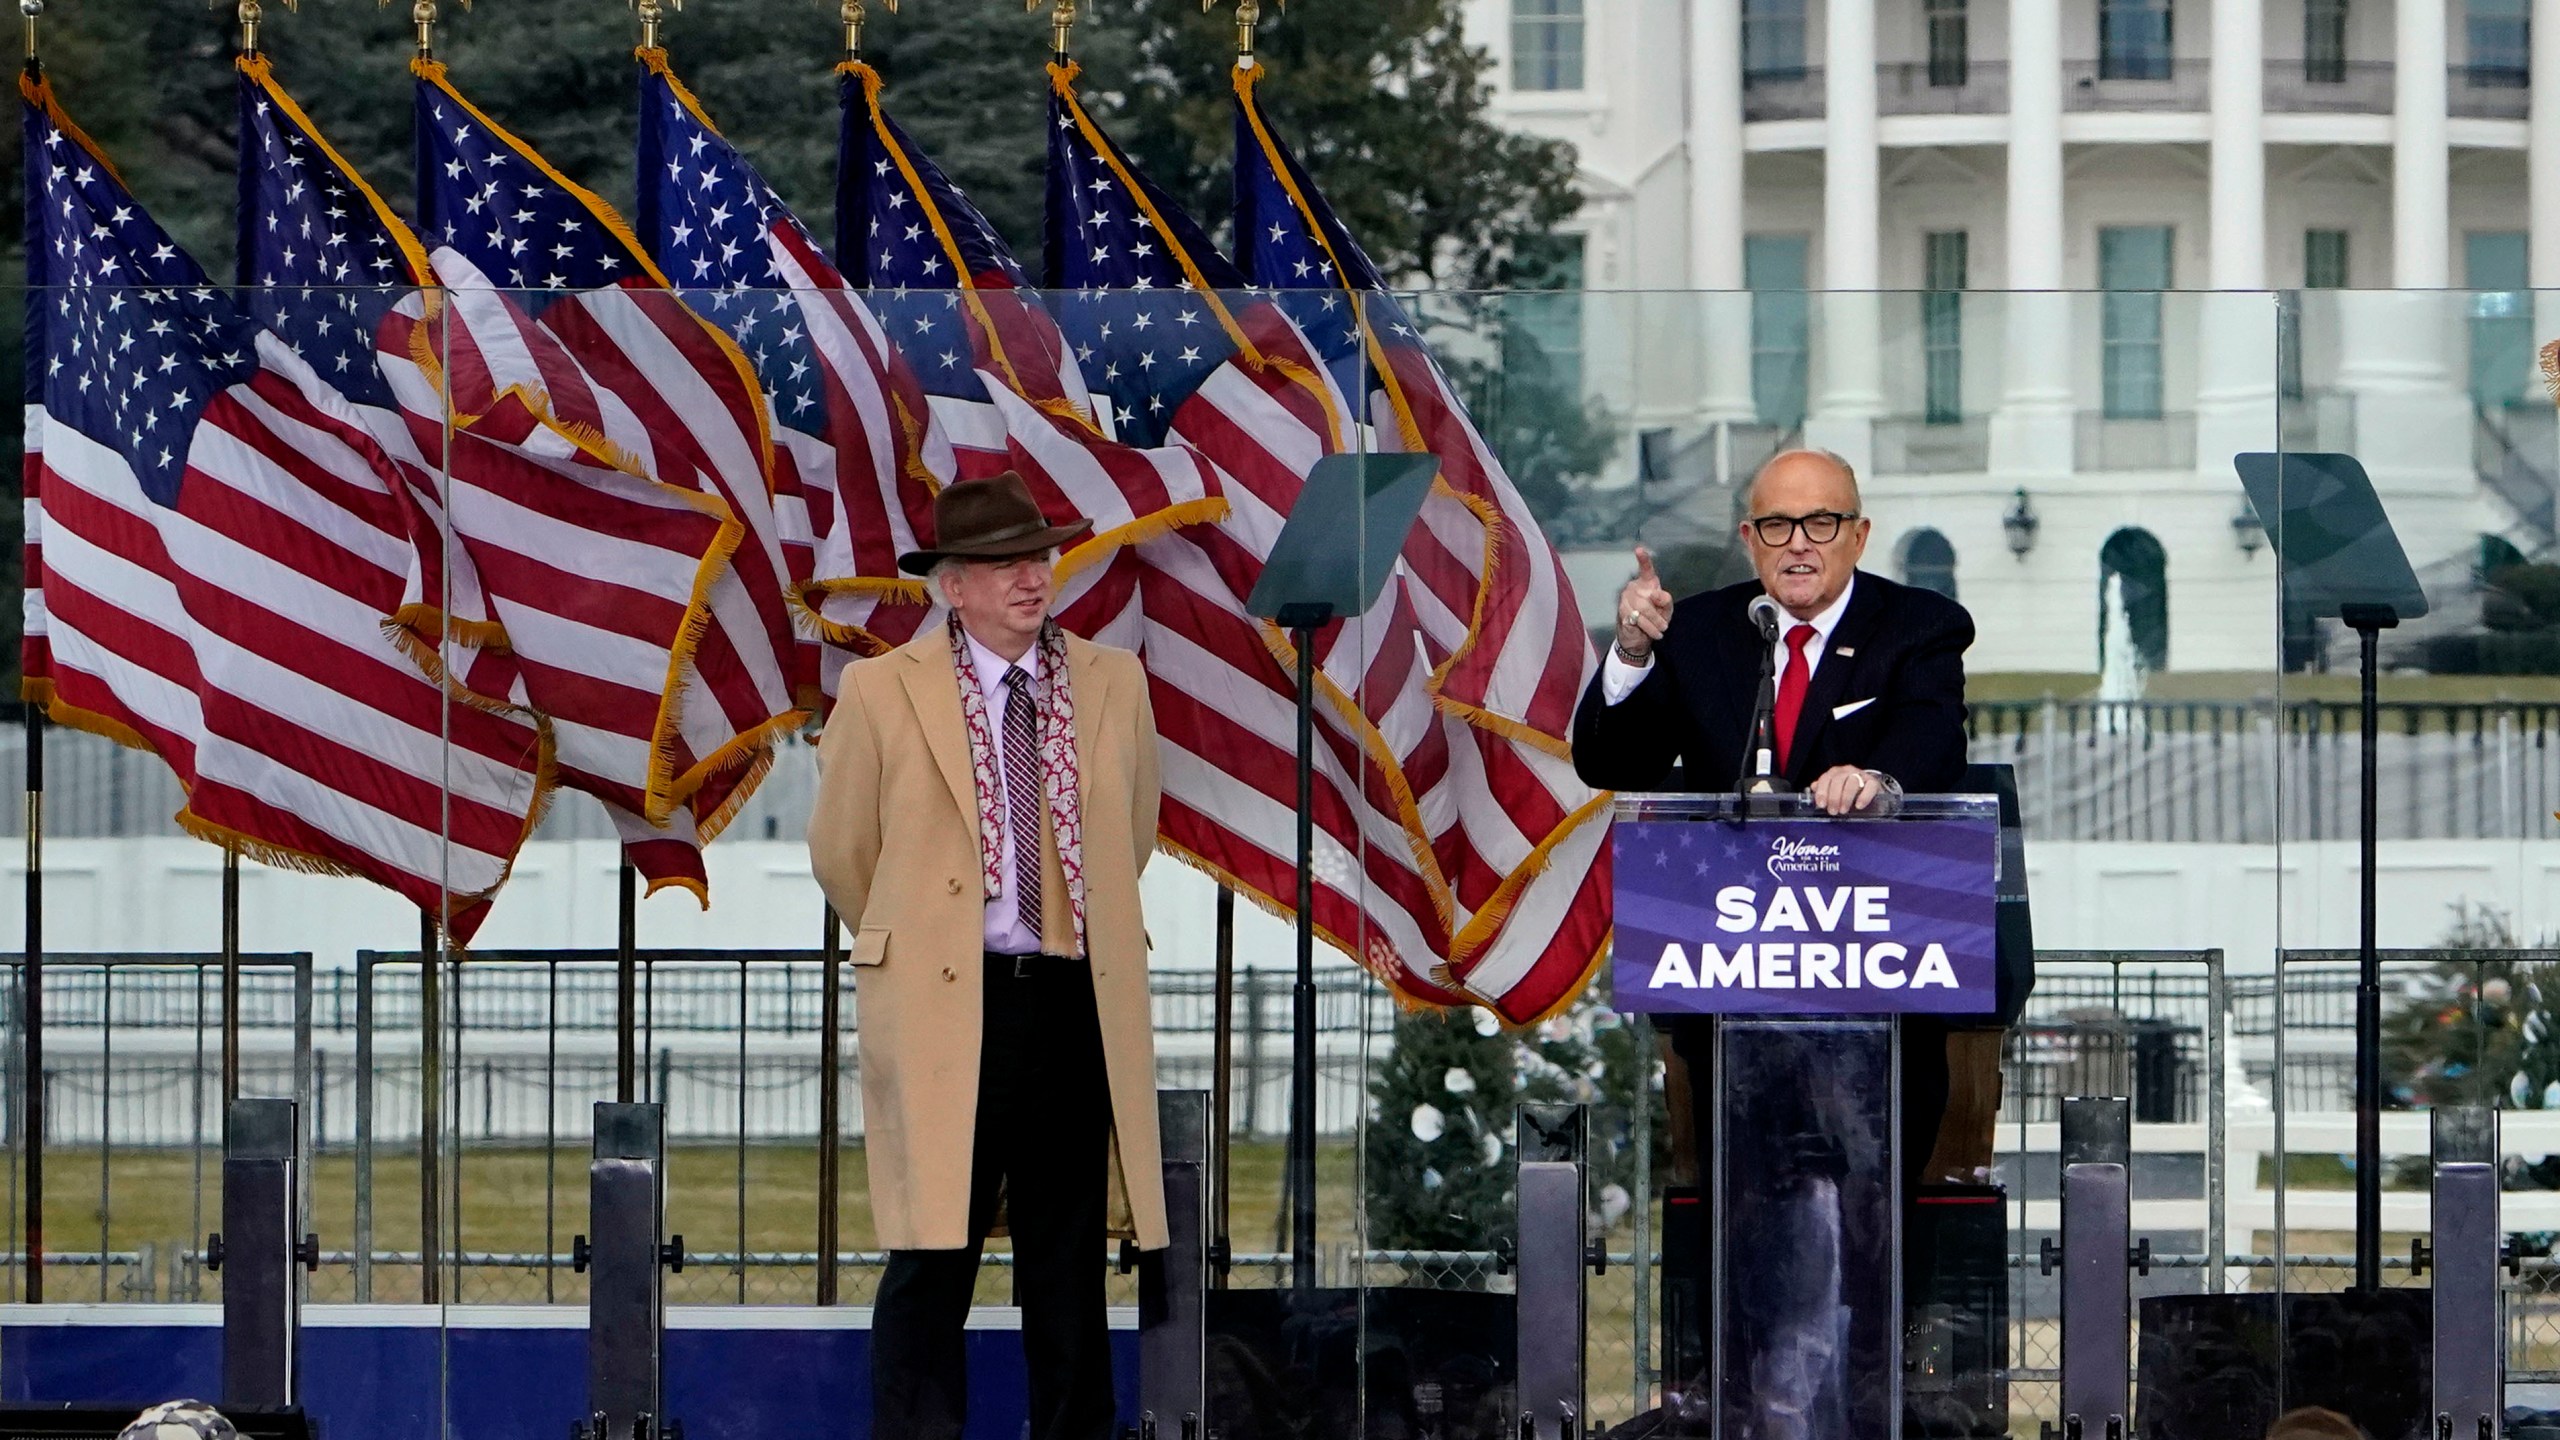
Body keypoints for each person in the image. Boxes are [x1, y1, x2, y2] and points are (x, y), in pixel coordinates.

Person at [1571, 449, 1976, 1415]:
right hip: (1736, 998)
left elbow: (1930, 735)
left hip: (1879, 994)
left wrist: (1876, 784)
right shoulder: (1706, 631)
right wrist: (1630, 654)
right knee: (1746, 1224)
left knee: (1874, 1228)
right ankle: (1742, 1405)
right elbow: (1607, 758)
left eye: (1821, 523)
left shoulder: (1917, 626)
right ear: (1749, 541)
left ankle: (1874, 1409)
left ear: (1858, 534)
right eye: (1778, 527)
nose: (1800, 546)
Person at [808, 472, 1165, 1440]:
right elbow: (844, 856)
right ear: (950, 586)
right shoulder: (882, 692)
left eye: (1039, 556)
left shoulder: (1110, 682)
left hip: (1066, 1002)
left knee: (1067, 1268)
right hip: (945, 1007)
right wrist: (924, 938)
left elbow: (1129, 837)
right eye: (1004, 562)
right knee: (931, 1259)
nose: (1030, 576)